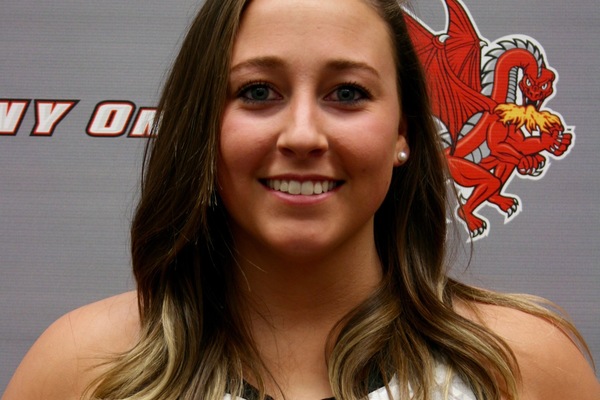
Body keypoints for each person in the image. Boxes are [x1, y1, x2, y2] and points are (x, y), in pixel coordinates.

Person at [3, 0, 599, 399]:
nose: (304, 136)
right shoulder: (82, 369)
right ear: (204, 123)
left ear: (404, 133)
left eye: (348, 93)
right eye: (259, 92)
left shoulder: (523, 368)